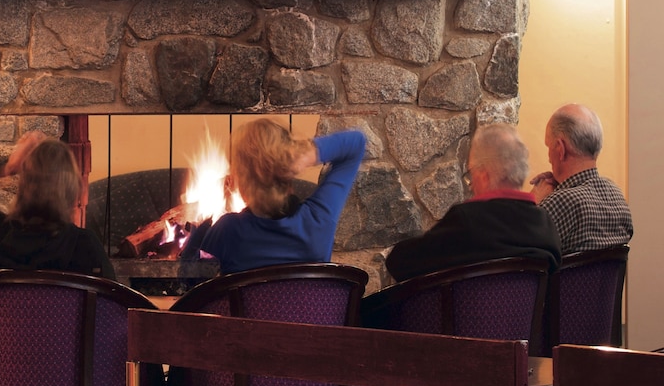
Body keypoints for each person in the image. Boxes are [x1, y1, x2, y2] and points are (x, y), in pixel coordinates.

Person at [385, 123, 562, 282]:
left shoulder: (468, 220)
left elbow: (399, 263)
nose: (471, 184)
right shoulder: (546, 224)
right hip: (528, 319)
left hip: (462, 318)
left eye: (471, 173)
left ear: (484, 176)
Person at [189, 119, 366, 275]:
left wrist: (198, 231)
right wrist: (304, 154)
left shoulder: (228, 229)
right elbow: (356, 143)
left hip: (246, 314)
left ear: (241, 179)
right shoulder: (319, 219)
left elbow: (191, 281)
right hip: (308, 314)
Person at [0, 131, 116, 279]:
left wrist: (8, 167)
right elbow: (115, 308)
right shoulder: (85, 244)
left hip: (8, 318)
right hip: (62, 318)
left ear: (24, 185)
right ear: (71, 190)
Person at [530, 103, 633, 254]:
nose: (548, 158)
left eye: (548, 147)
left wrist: (532, 203)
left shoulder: (559, 203)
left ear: (560, 148)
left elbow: (515, 252)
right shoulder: (618, 198)